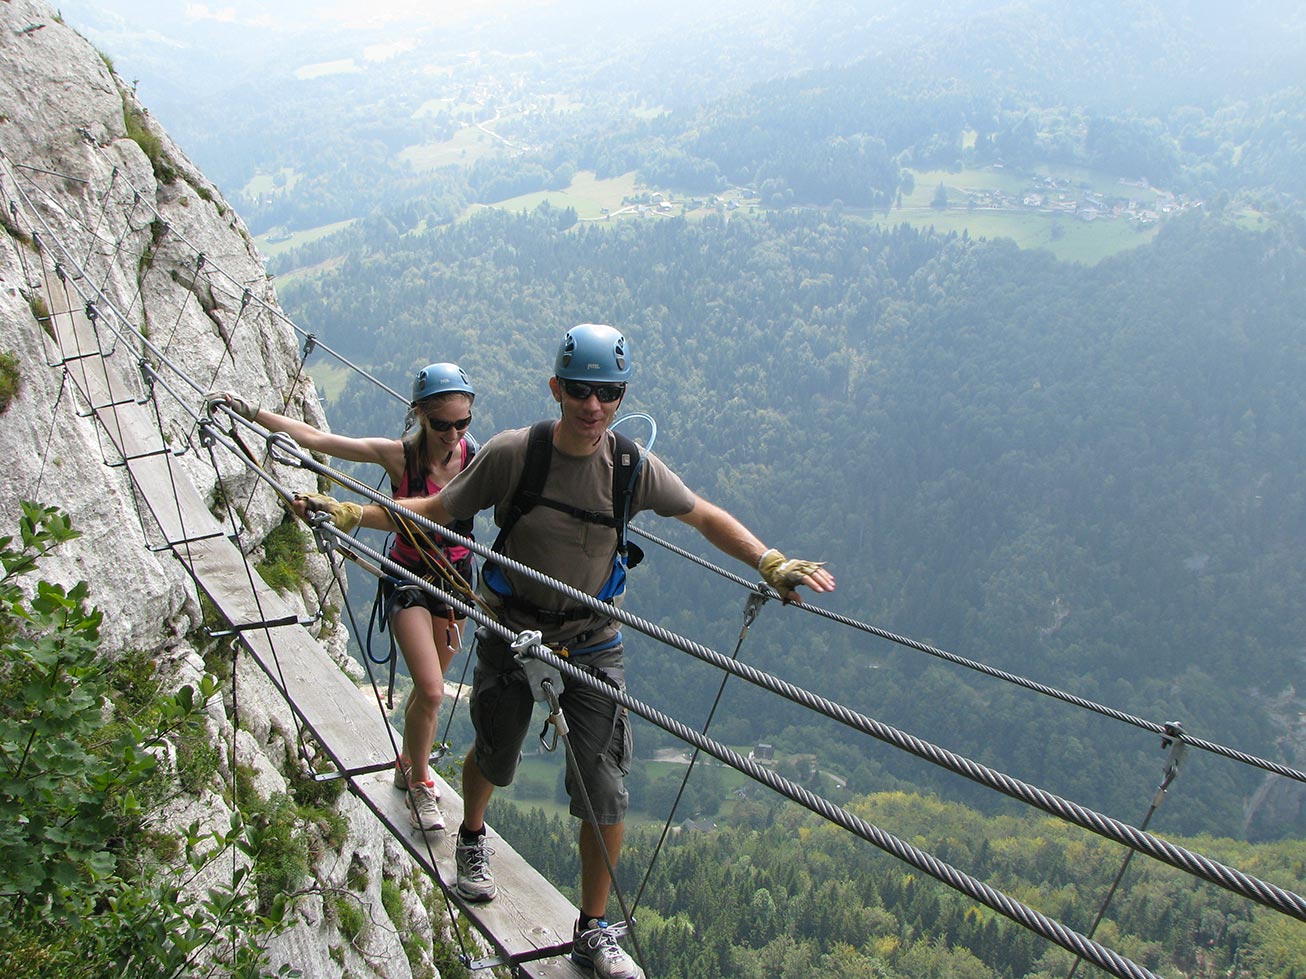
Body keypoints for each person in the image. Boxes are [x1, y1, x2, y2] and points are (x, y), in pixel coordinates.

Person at [297, 325, 833, 979]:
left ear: (621, 395)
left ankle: (592, 929)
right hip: (511, 628)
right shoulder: (513, 455)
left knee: (605, 788)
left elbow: (702, 514)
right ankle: (472, 835)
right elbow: (437, 506)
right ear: (556, 389)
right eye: (580, 390)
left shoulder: (632, 468)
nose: (593, 405)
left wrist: (768, 561)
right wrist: (354, 513)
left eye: (608, 392)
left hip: (591, 639)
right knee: (495, 755)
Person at [207, 362, 479, 833]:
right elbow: (319, 441)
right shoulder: (399, 457)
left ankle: (405, 765)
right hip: (409, 577)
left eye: (463, 422)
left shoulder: (475, 459)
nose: (453, 433)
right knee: (433, 690)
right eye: (442, 424)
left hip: (456, 584)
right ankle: (420, 786)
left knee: (426, 693)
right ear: (419, 417)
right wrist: (251, 412)